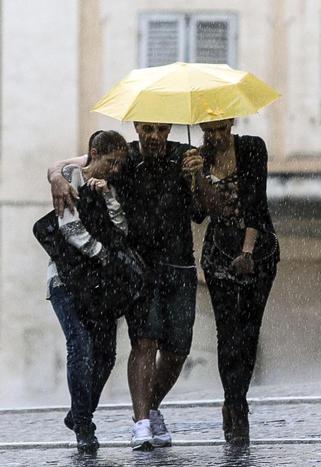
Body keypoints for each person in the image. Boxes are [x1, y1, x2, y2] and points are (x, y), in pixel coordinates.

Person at [48, 122, 203, 450]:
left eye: (162, 129)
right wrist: (57, 176)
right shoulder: (124, 155)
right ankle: (127, 422)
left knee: (171, 351)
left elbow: (201, 211)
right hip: (125, 272)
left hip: (170, 268)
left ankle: (142, 408)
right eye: (148, 128)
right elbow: (65, 167)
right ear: (137, 126)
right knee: (130, 344)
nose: (155, 136)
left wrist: (197, 178)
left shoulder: (184, 156)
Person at [184, 118, 279, 446]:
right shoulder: (198, 157)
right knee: (228, 332)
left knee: (249, 330)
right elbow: (200, 213)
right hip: (219, 253)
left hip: (258, 250)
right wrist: (196, 176)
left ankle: (238, 398)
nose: (215, 137)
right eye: (209, 131)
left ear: (231, 124)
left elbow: (257, 202)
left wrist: (248, 252)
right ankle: (234, 403)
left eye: (221, 129)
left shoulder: (252, 147)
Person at [38, 130, 134, 452]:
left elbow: (121, 228)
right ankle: (83, 427)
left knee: (106, 355)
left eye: (120, 163)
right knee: (80, 346)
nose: (116, 169)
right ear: (94, 154)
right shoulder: (70, 178)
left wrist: (108, 195)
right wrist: (101, 253)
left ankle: (80, 412)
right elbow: (69, 227)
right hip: (67, 281)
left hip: (100, 286)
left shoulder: (110, 184)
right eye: (111, 162)